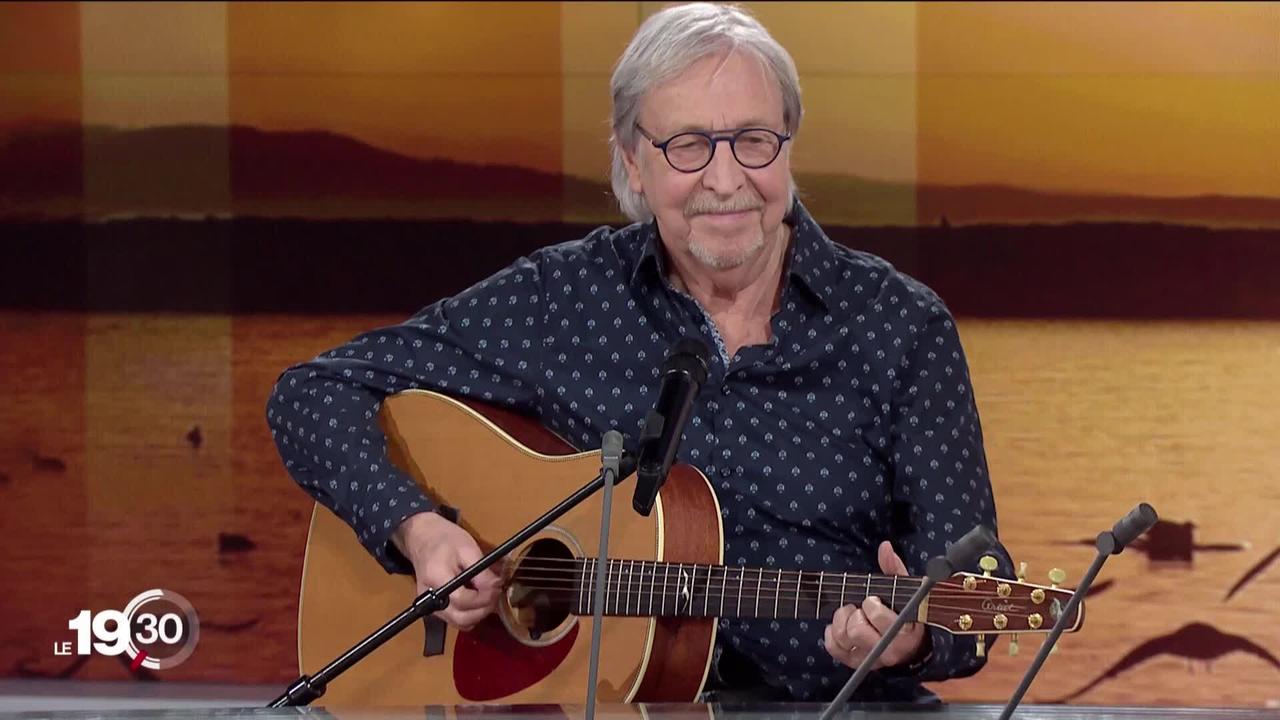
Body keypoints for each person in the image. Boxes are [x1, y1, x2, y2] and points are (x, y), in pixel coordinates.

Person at [268, 2, 1011, 704]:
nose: (727, 181)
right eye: (689, 146)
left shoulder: (897, 326)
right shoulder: (562, 300)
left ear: (789, 145)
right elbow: (311, 394)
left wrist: (912, 639)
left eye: (754, 140)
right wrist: (419, 529)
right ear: (633, 161)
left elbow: (979, 573)